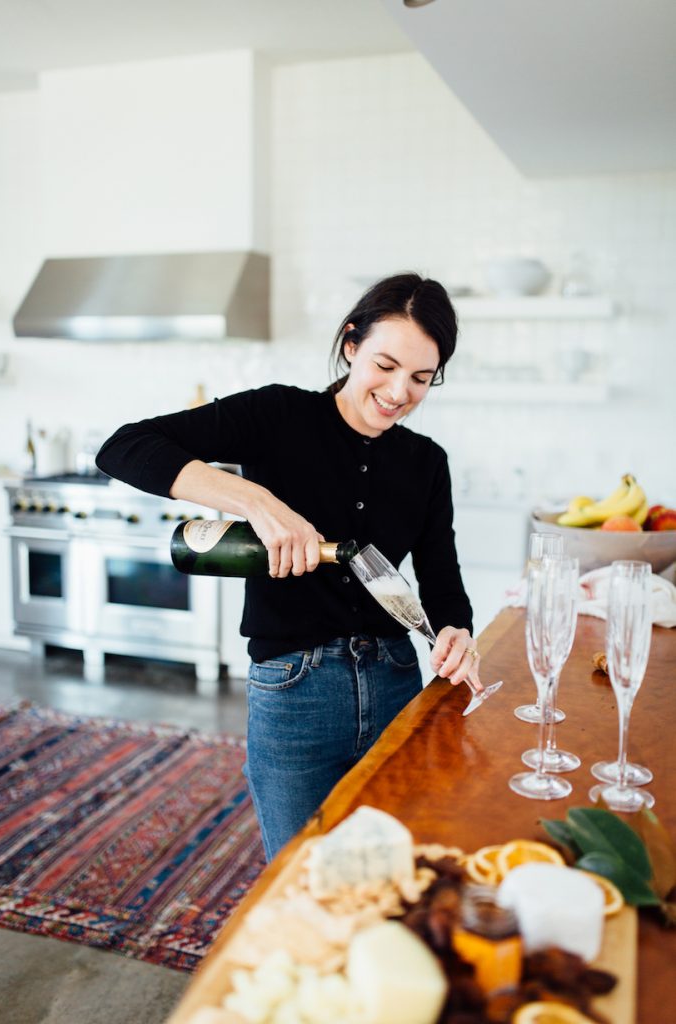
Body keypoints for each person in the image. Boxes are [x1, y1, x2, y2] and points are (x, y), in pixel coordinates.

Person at [96, 272, 481, 860]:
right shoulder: (278, 415)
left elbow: (443, 579)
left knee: (395, 874)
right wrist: (255, 500)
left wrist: (456, 630)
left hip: (399, 681)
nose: (399, 390)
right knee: (300, 881)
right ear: (350, 345)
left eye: (421, 378)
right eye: (385, 364)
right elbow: (124, 446)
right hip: (296, 692)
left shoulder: (427, 462)